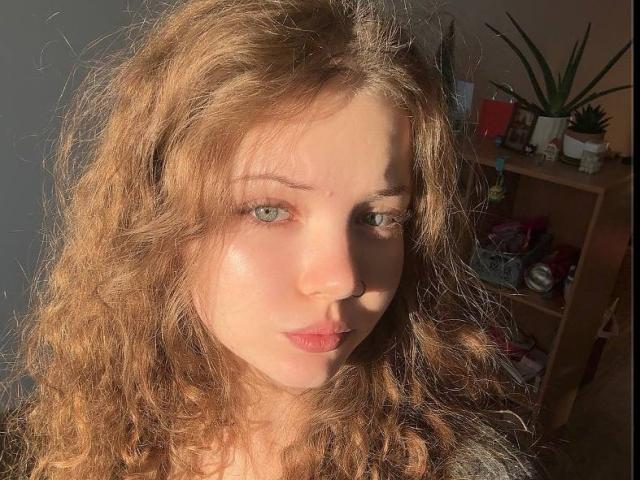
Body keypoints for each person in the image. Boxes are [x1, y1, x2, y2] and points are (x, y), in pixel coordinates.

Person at [3, 0, 538, 478]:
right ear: (160, 219)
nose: (342, 281)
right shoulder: (63, 439)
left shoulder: (461, 467)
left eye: (379, 217)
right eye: (268, 211)